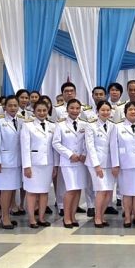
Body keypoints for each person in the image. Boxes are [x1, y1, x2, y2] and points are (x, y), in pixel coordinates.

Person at [53, 98, 87, 229]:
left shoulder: (84, 124)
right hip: (68, 162)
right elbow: (56, 143)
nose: (75, 111)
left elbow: (87, 141)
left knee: (78, 189)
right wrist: (69, 154)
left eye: (77, 108)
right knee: (71, 189)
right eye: (72, 108)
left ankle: (73, 216)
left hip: (81, 161)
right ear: (67, 109)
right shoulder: (60, 125)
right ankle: (66, 217)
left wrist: (83, 154)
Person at [20, 100, 55, 228]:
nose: (42, 113)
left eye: (44, 110)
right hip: (33, 164)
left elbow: (54, 147)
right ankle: (31, 219)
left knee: (44, 191)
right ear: (34, 112)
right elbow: (25, 147)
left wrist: (55, 166)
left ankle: (41, 217)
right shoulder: (27, 126)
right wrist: (26, 166)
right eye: (39, 110)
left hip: (48, 164)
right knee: (32, 192)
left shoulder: (52, 126)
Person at [111, 102, 135, 228]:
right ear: (125, 112)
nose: (133, 112)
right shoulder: (117, 127)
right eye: (130, 109)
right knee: (126, 192)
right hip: (124, 164)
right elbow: (113, 147)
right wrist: (115, 164)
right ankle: (127, 217)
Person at [0, 97, 24, 229]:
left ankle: (5, 216)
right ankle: (4, 217)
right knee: (6, 190)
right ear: (5, 107)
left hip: (17, 161)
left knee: (12, 189)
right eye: (10, 105)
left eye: (15, 105)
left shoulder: (22, 120)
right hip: (4, 162)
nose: (13, 108)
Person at [84, 100, 114, 228]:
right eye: (103, 110)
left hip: (110, 163)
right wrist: (96, 165)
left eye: (108, 110)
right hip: (95, 163)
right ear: (97, 111)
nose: (105, 112)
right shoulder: (91, 126)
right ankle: (97, 217)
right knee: (101, 190)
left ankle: (102, 215)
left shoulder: (113, 126)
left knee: (108, 191)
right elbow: (90, 147)